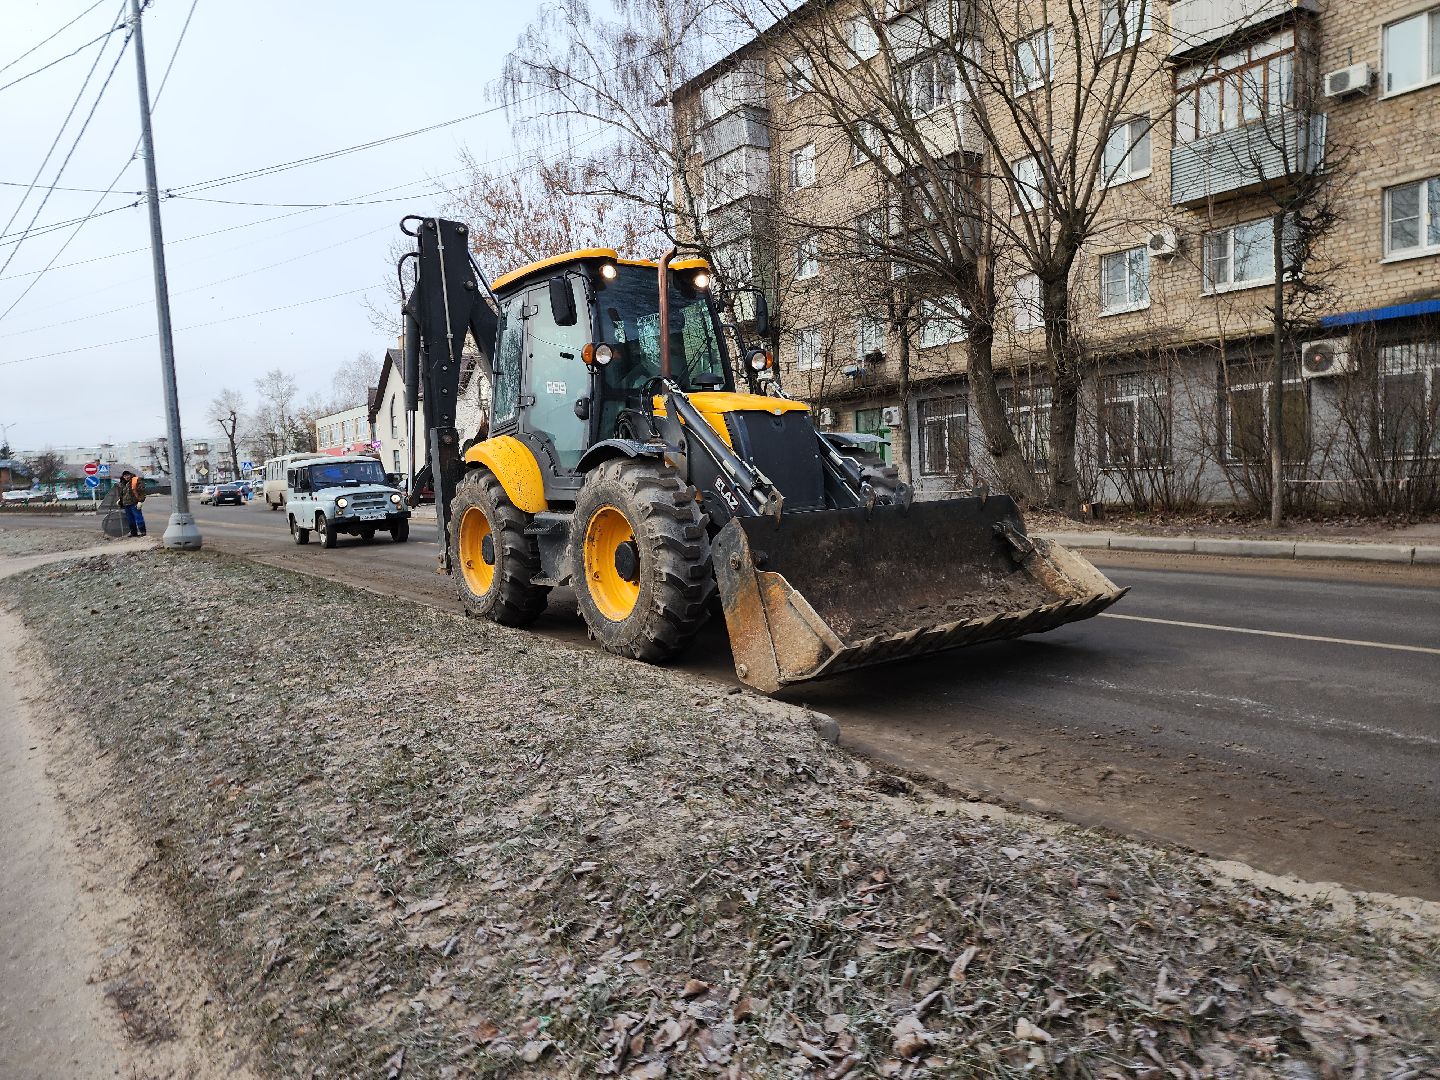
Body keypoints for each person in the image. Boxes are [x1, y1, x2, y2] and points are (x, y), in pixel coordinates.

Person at [116, 470, 147, 537]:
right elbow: (122, 494)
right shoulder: (122, 483)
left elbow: (142, 491)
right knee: (130, 519)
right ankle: (133, 533)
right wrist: (120, 500)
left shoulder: (136, 480)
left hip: (134, 503)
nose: (126, 477)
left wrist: (140, 501)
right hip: (126, 504)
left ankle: (143, 532)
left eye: (127, 475)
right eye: (125, 476)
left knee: (138, 517)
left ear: (130, 475)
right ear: (123, 476)